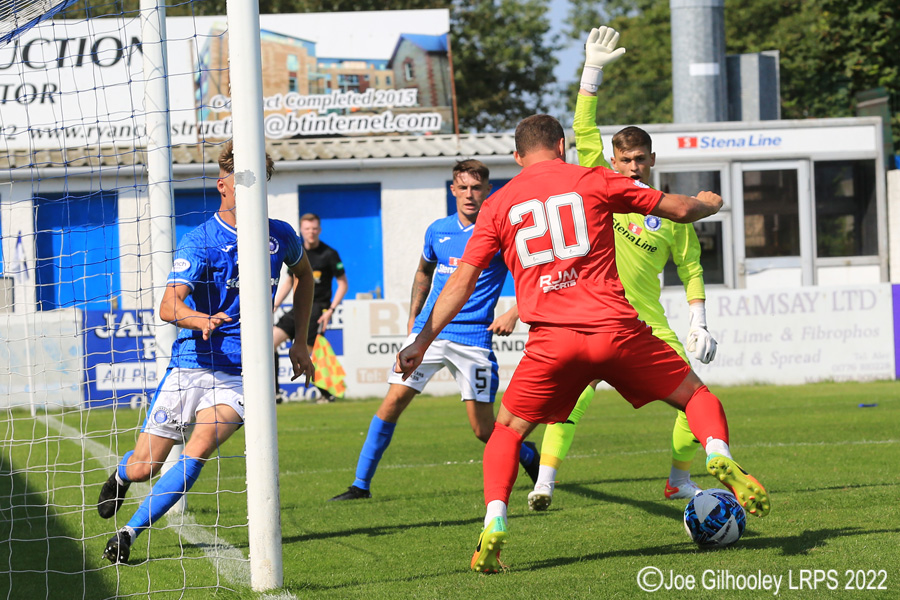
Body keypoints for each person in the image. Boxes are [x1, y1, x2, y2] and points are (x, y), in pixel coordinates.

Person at [395, 112, 770, 573]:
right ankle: (718, 455)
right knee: (696, 395)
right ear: (561, 147)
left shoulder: (496, 205)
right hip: (616, 329)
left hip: (552, 341)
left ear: (516, 157)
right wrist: (708, 203)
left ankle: (494, 519)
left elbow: (459, 284)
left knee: (508, 431)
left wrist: (422, 338)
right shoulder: (593, 179)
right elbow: (676, 209)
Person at [96, 141, 316, 564]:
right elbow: (168, 306)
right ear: (223, 187)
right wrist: (200, 320)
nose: (254, 194)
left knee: (198, 448)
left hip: (241, 371)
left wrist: (300, 341)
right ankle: (124, 475)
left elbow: (304, 276)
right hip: (191, 365)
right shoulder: (201, 241)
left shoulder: (281, 236)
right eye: (244, 184)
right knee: (146, 467)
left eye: (260, 184)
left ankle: (128, 534)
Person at [528, 26, 719, 512]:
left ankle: (679, 480)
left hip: (648, 323)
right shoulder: (598, 182)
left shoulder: (672, 211)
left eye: (639, 159)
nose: (632, 167)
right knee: (573, 400)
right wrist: (591, 73)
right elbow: (583, 128)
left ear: (653, 159)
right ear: (611, 160)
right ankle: (545, 481)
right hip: (593, 314)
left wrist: (698, 320)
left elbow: (691, 267)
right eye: (624, 159)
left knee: (694, 396)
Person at [328, 160, 541, 501]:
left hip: (473, 338)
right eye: (463, 187)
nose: (469, 195)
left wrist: (515, 312)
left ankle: (529, 456)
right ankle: (360, 486)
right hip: (430, 333)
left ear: (488, 191)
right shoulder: (438, 230)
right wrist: (415, 321)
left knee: (483, 430)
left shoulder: (502, 233)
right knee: (392, 403)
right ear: (452, 190)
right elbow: (423, 272)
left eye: (476, 188)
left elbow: (534, 278)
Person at [273, 212, 348, 402]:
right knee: (269, 343)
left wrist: (330, 310)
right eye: (307, 229)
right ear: (302, 230)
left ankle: (325, 394)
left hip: (317, 309)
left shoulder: (330, 254)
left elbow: (343, 284)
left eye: (314, 228)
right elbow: (289, 282)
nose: (311, 232)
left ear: (319, 230)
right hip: (296, 307)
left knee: (308, 353)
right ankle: (275, 393)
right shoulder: (297, 251)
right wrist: (274, 304)